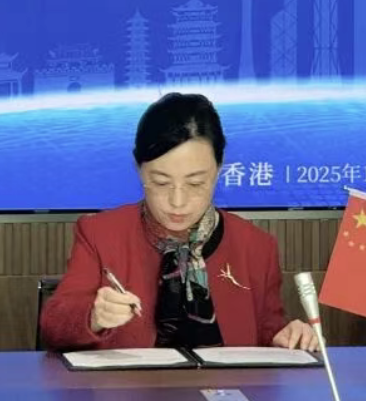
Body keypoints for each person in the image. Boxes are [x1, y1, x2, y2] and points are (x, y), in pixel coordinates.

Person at [41, 92, 317, 352]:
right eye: (161, 182)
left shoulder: (256, 246)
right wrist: (93, 316)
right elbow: (53, 327)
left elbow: (267, 332)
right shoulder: (101, 234)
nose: (177, 201)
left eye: (195, 183)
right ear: (139, 169)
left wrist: (288, 337)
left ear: (219, 169)